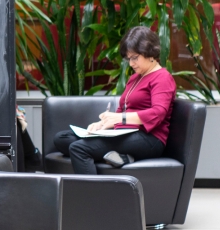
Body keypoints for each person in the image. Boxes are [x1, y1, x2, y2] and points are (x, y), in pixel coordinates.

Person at [53, 26, 176, 174]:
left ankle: (94, 196)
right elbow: (122, 108)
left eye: (134, 58)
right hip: (124, 132)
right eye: (128, 59)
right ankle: (122, 157)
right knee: (62, 139)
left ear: (149, 52)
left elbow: (158, 113)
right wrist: (102, 124)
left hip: (149, 139)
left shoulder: (162, 77)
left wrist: (120, 119)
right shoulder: (135, 78)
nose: (131, 64)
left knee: (78, 147)